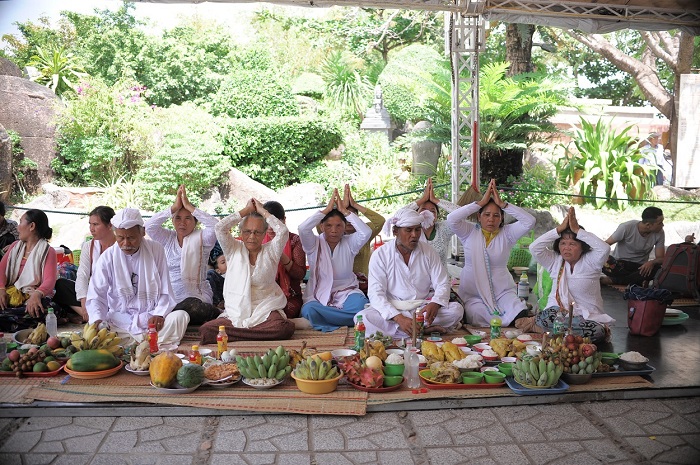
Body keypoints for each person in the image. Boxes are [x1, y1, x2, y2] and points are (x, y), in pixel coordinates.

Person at [355, 208, 464, 338]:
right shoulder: (380, 255)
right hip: (393, 308)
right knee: (363, 319)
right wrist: (398, 318)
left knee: (456, 311)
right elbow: (375, 293)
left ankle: (407, 330)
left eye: (417, 229)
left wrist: (435, 303)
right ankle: (421, 329)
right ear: (395, 231)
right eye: (408, 230)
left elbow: (442, 283)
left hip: (421, 307)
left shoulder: (428, 251)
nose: (414, 235)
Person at [86, 208, 189, 346]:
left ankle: (135, 343)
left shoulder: (156, 250)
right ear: (115, 234)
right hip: (120, 321)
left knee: (180, 317)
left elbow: (165, 289)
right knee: (98, 329)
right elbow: (96, 295)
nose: (126, 244)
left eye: (131, 238)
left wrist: (159, 314)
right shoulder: (107, 257)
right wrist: (97, 319)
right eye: (121, 238)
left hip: (149, 317)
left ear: (142, 233)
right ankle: (151, 343)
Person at [199, 199, 295, 343]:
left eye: (257, 232)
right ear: (241, 233)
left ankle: (237, 334)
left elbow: (282, 231)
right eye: (247, 231)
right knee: (207, 330)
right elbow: (220, 228)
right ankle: (252, 333)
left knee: (283, 328)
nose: (251, 236)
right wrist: (245, 211)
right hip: (236, 311)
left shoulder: (271, 251)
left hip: (265, 309)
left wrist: (263, 211)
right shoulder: (233, 249)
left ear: (264, 234)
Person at [447, 179, 536, 327]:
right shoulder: (468, 231)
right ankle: (509, 324)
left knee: (518, 309)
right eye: (486, 214)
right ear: (479, 216)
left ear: (501, 218)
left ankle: (512, 319)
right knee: (476, 314)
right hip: (473, 293)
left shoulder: (507, 233)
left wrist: (504, 204)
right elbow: (452, 219)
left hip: (502, 292)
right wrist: (480, 203)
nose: (491, 219)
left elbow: (530, 221)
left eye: (496, 215)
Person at [530, 207, 613, 342]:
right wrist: (558, 230)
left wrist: (577, 231)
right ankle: (567, 335)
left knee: (596, 331)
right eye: (563, 243)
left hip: (586, 318)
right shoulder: (555, 261)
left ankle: (559, 334)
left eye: (572, 243)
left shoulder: (591, 261)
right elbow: (534, 248)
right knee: (545, 317)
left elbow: (605, 248)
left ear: (582, 246)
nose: (566, 247)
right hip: (559, 315)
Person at [299, 188, 373, 332]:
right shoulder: (313, 244)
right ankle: (348, 320)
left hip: (347, 292)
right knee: (309, 310)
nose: (334, 230)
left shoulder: (350, 242)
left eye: (339, 225)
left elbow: (366, 232)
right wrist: (325, 210)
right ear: (322, 227)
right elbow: (303, 229)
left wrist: (346, 212)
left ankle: (326, 320)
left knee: (361, 306)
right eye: (329, 225)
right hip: (318, 294)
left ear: (345, 227)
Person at [145, 185, 220, 324]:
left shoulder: (203, 238)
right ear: (172, 220)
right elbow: (148, 226)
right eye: (178, 218)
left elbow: (217, 226)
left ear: (195, 221)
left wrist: (189, 206)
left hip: (196, 298)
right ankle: (172, 315)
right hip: (170, 298)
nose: (182, 223)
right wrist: (173, 207)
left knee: (192, 307)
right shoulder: (167, 238)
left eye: (188, 218)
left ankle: (215, 314)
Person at [53, 206, 116, 323]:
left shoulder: (120, 247)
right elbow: (82, 274)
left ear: (110, 225)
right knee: (60, 285)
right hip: (92, 295)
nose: (92, 229)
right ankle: (89, 314)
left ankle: (92, 317)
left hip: (113, 296)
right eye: (90, 224)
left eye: (96, 224)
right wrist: (84, 301)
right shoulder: (89, 246)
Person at [0, 209, 58, 330]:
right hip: (10, 294)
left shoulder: (48, 251)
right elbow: (2, 269)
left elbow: (50, 280)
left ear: (31, 226)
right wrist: (1, 289)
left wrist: (36, 295)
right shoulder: (15, 247)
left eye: (21, 222)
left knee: (42, 308)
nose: (18, 227)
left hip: (31, 296)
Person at [262, 200, 306, 319]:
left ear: (284, 220)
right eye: (266, 223)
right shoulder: (257, 240)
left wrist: (280, 254)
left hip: (289, 297)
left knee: (278, 316)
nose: (271, 228)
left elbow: (300, 274)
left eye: (275, 223)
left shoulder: (294, 240)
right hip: (263, 296)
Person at [601, 207, 665, 286]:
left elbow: (661, 258)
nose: (663, 225)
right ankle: (635, 281)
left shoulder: (660, 233)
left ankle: (615, 280)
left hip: (640, 268)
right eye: (660, 223)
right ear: (648, 225)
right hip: (620, 265)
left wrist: (652, 262)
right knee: (603, 259)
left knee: (659, 269)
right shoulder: (626, 227)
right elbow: (605, 244)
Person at [403, 178, 459, 265]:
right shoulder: (410, 230)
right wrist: (423, 199)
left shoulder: (443, 229)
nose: (427, 213)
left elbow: (462, 213)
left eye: (432, 211)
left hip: (441, 278)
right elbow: (397, 216)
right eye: (423, 209)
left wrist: (435, 200)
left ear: (437, 216)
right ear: (416, 213)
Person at [340, 184, 385, 277]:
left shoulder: (366, 232)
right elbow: (319, 225)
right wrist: (338, 207)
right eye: (345, 216)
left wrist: (355, 205)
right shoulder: (333, 235)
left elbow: (380, 221)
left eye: (352, 216)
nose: (349, 221)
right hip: (342, 285)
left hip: (364, 282)